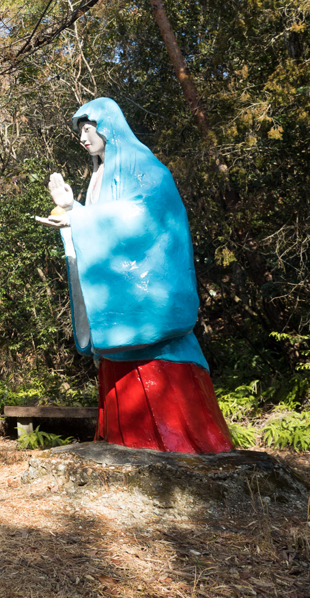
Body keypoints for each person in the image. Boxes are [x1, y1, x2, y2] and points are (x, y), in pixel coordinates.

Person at [37, 98, 233, 454]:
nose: (83, 137)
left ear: (108, 125)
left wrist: (79, 219)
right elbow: (103, 226)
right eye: (78, 130)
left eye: (88, 127)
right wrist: (72, 211)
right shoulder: (98, 174)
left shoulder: (141, 164)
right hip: (119, 332)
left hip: (156, 324)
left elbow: (146, 216)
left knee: (168, 402)